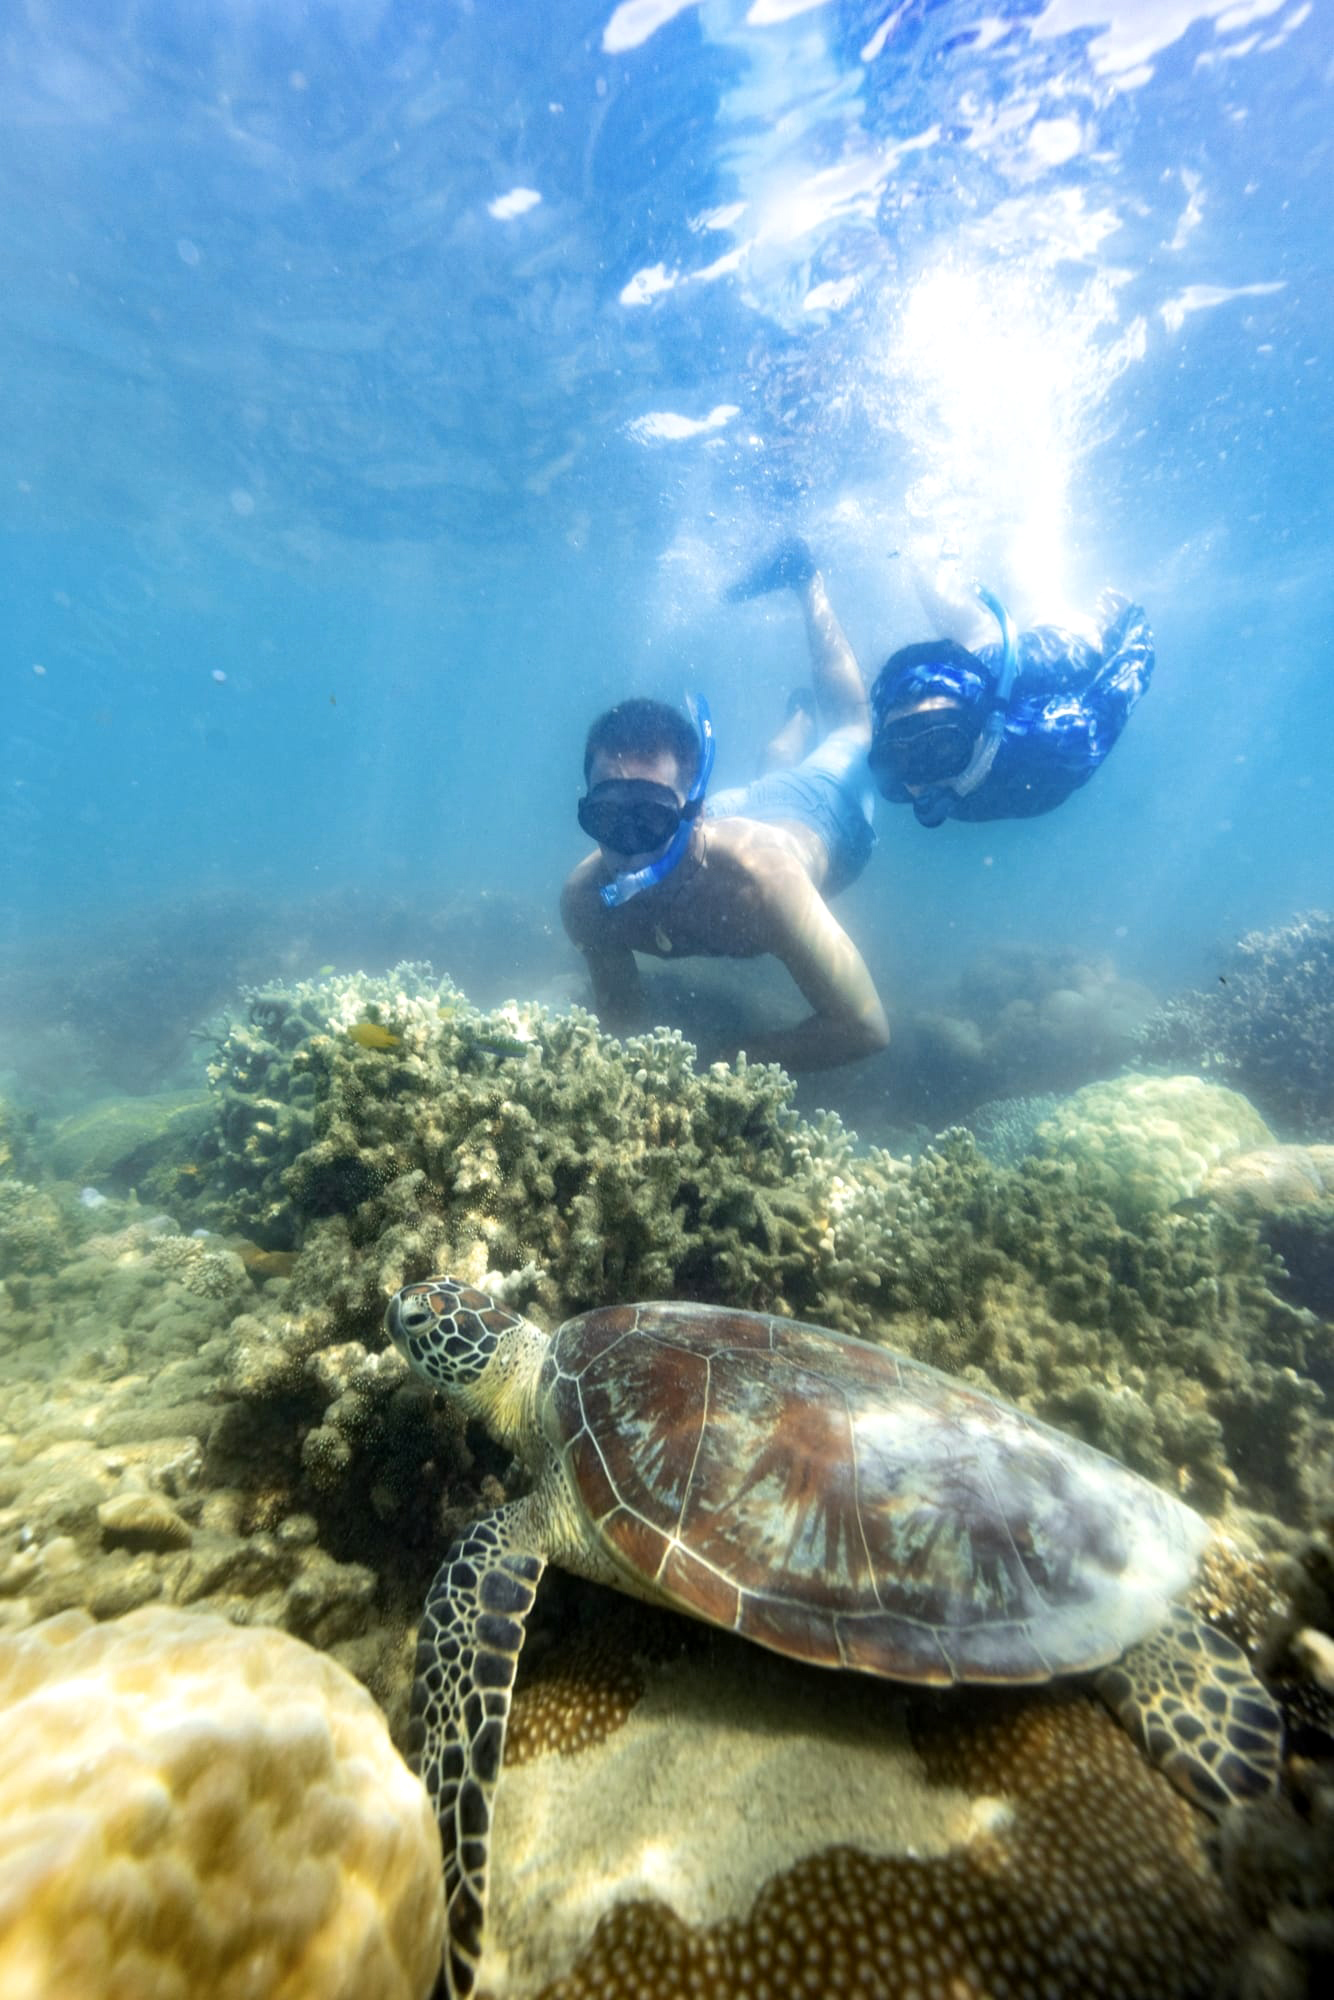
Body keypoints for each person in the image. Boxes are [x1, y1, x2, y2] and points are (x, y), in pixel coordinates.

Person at [560, 540, 889, 1074]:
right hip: (740, 810)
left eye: (648, 818)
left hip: (822, 809)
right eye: (605, 816)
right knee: (772, 767)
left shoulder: (763, 884)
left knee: (853, 728)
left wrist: (722, 1062)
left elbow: (866, 1026)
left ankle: (808, 582)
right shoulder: (586, 901)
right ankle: (795, 720)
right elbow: (620, 1022)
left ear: (697, 810)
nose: (626, 845)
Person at [868, 580, 1155, 828]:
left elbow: (1121, 685)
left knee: (1039, 595)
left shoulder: (1061, 739)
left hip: (1055, 649)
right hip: (978, 661)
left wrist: (1130, 623)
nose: (923, 776)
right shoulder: (894, 781)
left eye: (943, 746)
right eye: (897, 757)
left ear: (983, 731)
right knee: (936, 588)